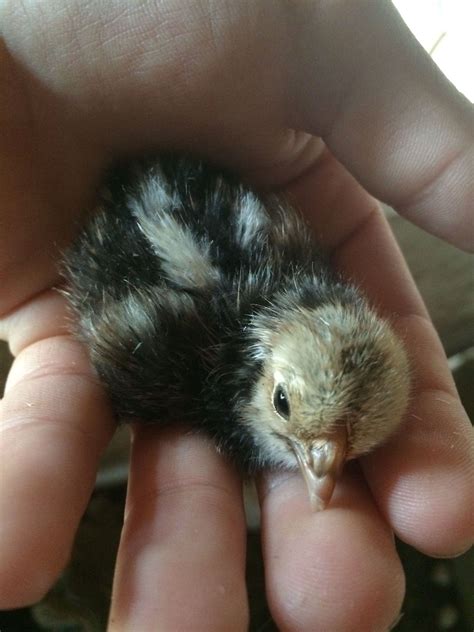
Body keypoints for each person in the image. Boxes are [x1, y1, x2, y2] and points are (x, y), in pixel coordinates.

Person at [0, 2, 472, 630]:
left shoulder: (253, 293)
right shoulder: (167, 355)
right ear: (266, 370)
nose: (322, 468)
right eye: (286, 407)